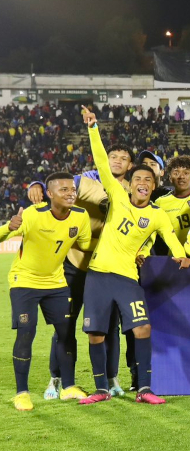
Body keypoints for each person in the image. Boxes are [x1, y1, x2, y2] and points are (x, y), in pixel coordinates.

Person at [77, 107, 190, 405]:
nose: (143, 182)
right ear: (130, 183)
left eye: (148, 180)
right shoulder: (116, 196)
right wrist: (92, 128)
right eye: (138, 178)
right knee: (96, 335)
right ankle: (101, 389)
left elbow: (169, 238)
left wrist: (182, 255)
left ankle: (144, 389)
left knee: (142, 327)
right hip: (98, 275)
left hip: (127, 279)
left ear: (153, 187)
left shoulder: (157, 215)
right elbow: (102, 162)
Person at [28, 141, 134, 399]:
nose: (117, 161)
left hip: (107, 268)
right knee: (65, 325)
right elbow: (59, 185)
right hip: (75, 265)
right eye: (113, 156)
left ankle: (111, 378)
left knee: (109, 327)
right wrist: (37, 185)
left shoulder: (132, 189)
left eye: (123, 158)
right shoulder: (86, 180)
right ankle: (56, 378)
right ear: (105, 159)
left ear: (130, 165)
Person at [1, 173, 92, 410]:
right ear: (49, 194)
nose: (70, 193)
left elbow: (84, 244)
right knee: (26, 332)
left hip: (56, 283)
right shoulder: (33, 214)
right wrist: (8, 228)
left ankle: (69, 386)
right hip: (25, 282)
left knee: (66, 333)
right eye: (63, 190)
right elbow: (3, 236)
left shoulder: (81, 216)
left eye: (72, 189)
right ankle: (22, 393)